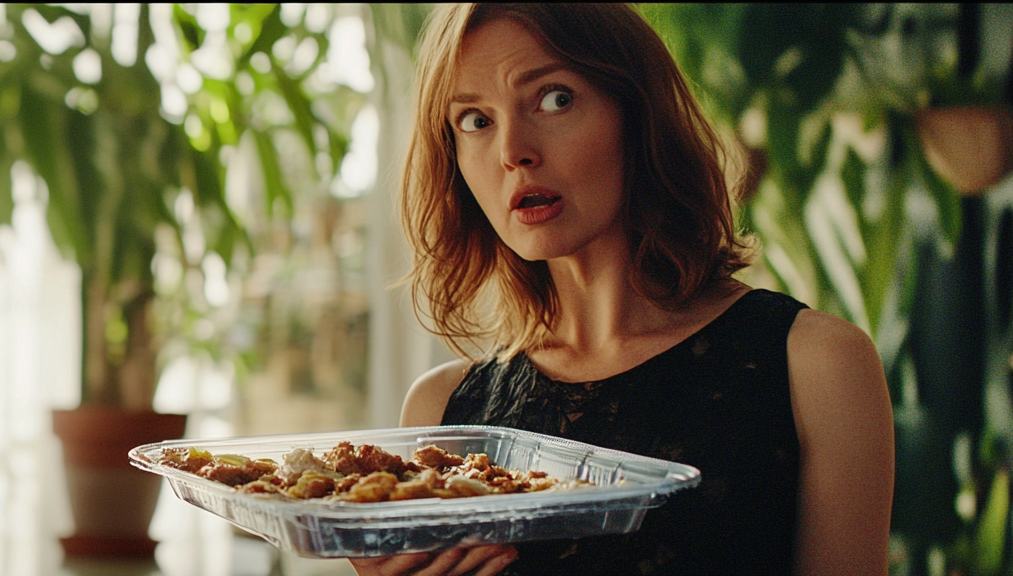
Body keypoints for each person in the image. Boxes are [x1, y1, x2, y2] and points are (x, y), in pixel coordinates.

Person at [350, 4, 893, 575]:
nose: (512, 151)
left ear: (638, 113)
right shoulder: (443, 416)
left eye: (554, 98)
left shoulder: (814, 366)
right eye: (475, 121)